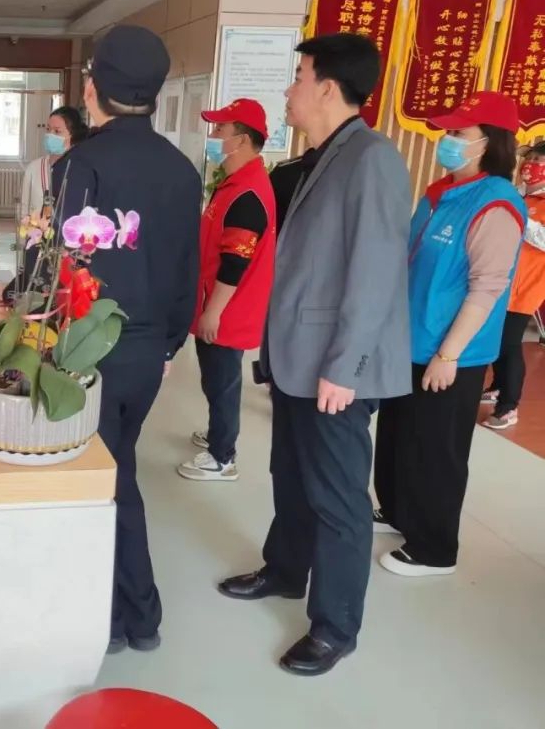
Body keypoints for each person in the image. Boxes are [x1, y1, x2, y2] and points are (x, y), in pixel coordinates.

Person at [217, 33, 412, 676]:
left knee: (338, 499)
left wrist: (344, 367)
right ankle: (284, 570)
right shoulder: (322, 156)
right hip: (300, 358)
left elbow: (375, 272)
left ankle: (335, 626)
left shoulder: (371, 159)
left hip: (336, 369)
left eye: (298, 76)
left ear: (328, 86)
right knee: (291, 476)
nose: (289, 89)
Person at [53, 25, 200, 654]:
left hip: (91, 346)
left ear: (93, 88)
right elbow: (188, 270)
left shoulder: (80, 164)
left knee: (105, 479)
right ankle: (132, 616)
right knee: (119, 467)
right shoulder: (182, 169)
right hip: (148, 352)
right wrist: (167, 346)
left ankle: (128, 617)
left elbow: (60, 265)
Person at [373, 92, 525, 577]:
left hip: (449, 352)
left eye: (459, 133)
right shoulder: (440, 192)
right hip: (410, 339)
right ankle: (397, 511)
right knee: (398, 436)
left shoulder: (496, 203)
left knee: (436, 450)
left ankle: (435, 549)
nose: (448, 140)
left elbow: (486, 288)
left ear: (489, 142)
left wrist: (449, 354)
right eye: (448, 131)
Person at [177, 98, 275, 482]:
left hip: (228, 310)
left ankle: (223, 457)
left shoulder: (248, 193)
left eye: (221, 129)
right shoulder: (233, 184)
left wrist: (213, 312)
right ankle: (218, 433)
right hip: (216, 303)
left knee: (222, 381)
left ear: (243, 140)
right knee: (214, 378)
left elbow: (235, 264)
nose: (214, 135)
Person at [482, 141, 545, 429]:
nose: (530, 165)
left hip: (525, 288)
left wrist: (519, 214)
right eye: (529, 159)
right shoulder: (516, 194)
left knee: (509, 343)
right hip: (498, 281)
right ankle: (497, 386)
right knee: (494, 338)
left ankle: (509, 405)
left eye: (539, 161)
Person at [19, 106, 88, 218]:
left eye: (57, 131)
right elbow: (23, 208)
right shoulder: (34, 168)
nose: (50, 135)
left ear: (74, 135)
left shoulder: (82, 169)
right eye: (48, 129)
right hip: (36, 228)